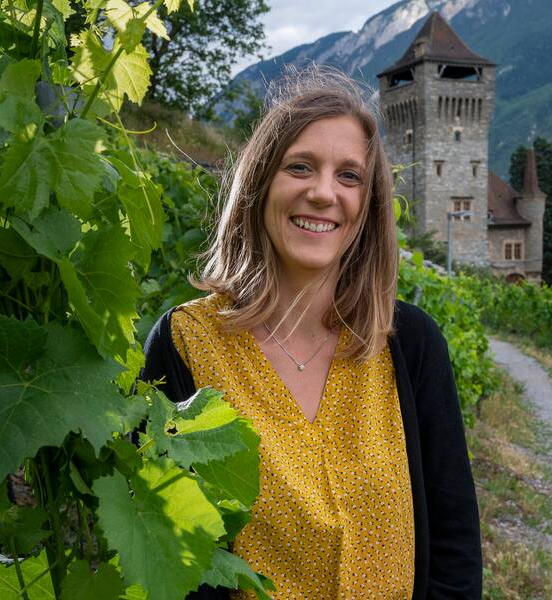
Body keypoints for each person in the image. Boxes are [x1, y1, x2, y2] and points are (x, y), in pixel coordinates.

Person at [142, 67, 482, 599]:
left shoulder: (409, 344)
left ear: (368, 207)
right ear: (259, 184)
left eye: (349, 176)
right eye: (300, 167)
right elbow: (176, 552)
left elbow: (454, 551)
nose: (324, 193)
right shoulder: (186, 343)